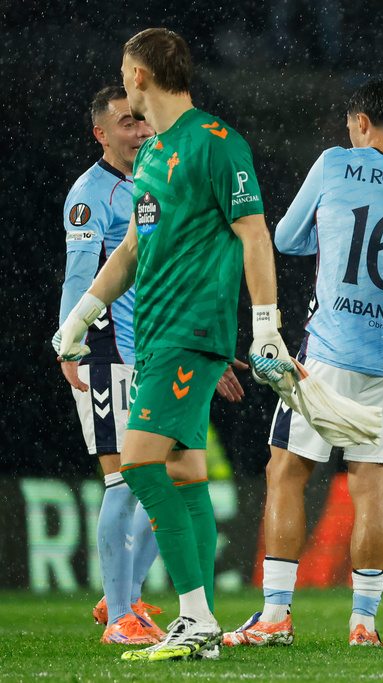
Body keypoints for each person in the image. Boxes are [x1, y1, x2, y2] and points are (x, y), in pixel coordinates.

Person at [54, 27, 292, 661]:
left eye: (123, 68)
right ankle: (202, 622)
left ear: (138, 76)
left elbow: (254, 234)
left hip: (191, 335)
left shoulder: (218, 143)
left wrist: (265, 323)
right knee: (186, 477)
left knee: (135, 465)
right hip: (154, 337)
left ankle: (192, 618)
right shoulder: (154, 155)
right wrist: (80, 318)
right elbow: (132, 248)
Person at [222, 79, 383, 649]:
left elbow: (283, 237)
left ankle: (277, 616)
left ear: (359, 123)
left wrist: (334, 253)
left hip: (328, 353)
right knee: (369, 488)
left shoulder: (336, 164)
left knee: (286, 473)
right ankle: (364, 624)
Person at [59, 84, 165, 645]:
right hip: (107, 352)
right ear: (101, 133)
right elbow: (80, 276)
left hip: (151, 350)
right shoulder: (89, 194)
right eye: (127, 123)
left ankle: (121, 595)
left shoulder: (152, 183)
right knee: (124, 482)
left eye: (142, 121)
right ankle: (120, 616)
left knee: (168, 478)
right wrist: (69, 343)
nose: (140, 131)